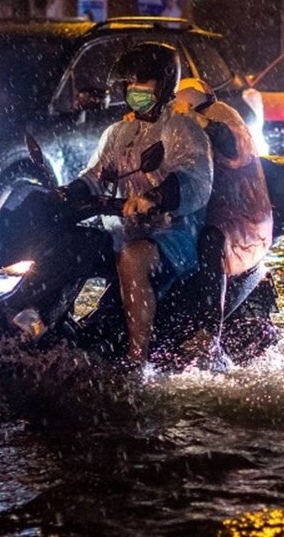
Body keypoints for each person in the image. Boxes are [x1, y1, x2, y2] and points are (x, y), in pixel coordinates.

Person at [59, 42, 213, 365]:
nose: (133, 90)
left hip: (172, 235)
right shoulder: (118, 133)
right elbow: (96, 175)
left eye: (142, 83)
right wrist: (66, 195)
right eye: (128, 84)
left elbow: (195, 179)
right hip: (124, 229)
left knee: (132, 258)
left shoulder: (180, 128)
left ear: (164, 83)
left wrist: (155, 198)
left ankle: (136, 360)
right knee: (72, 246)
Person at [172, 77, 273, 291]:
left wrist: (198, 120)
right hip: (187, 210)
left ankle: (209, 322)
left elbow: (235, 147)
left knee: (210, 241)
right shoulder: (170, 125)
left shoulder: (219, 113)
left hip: (236, 217)